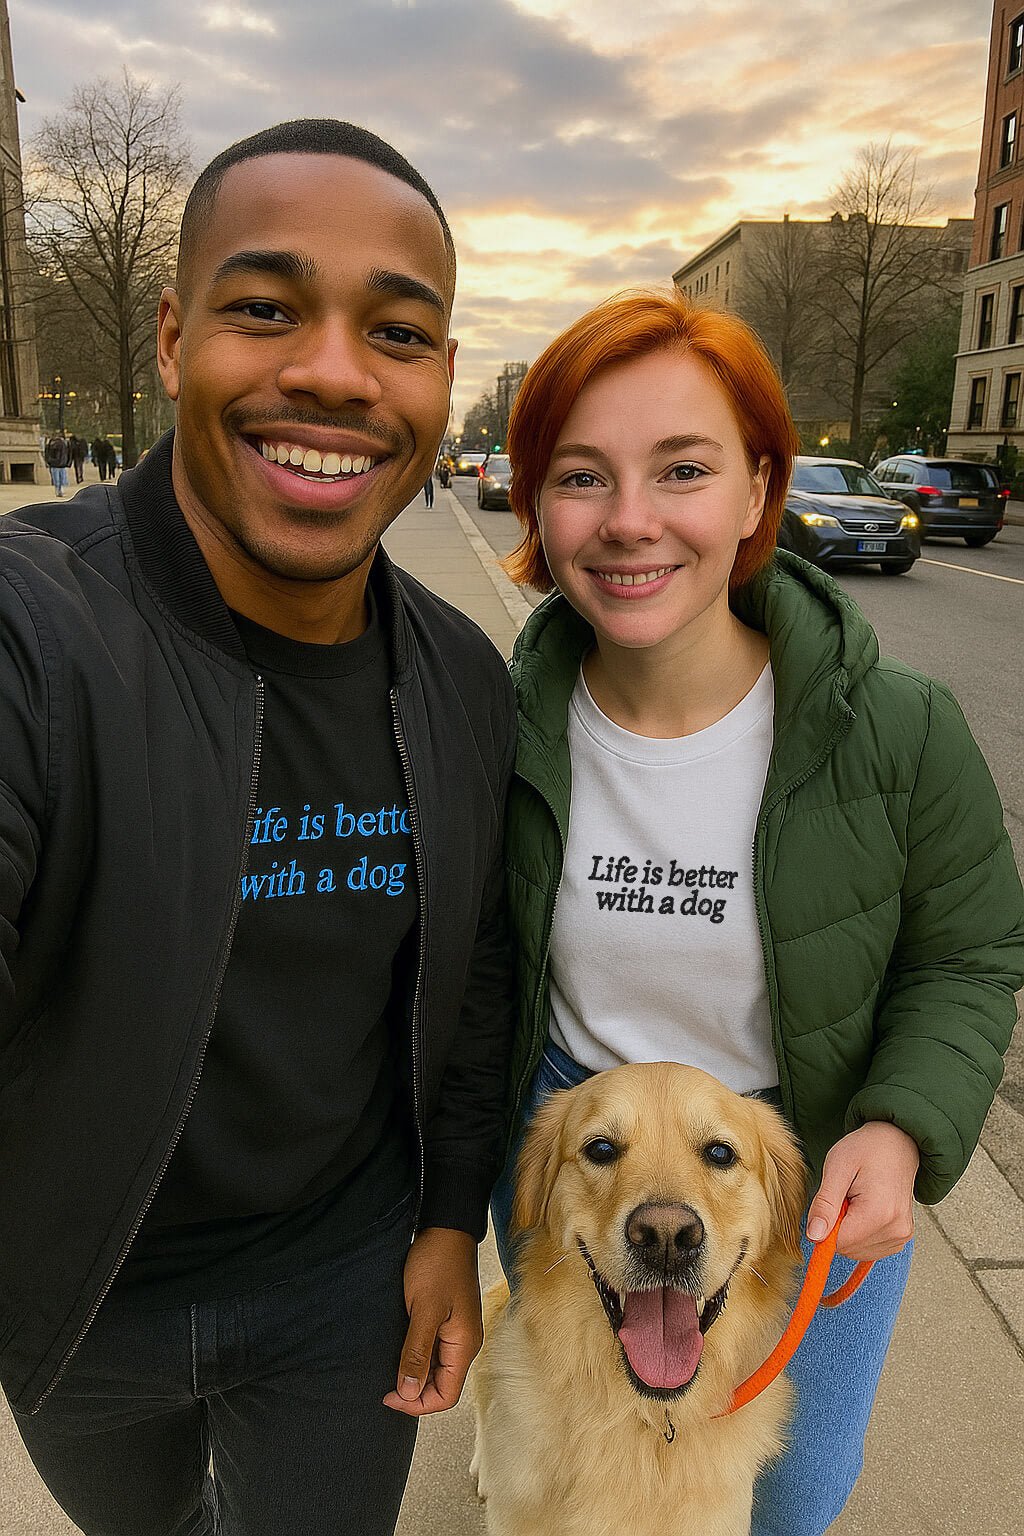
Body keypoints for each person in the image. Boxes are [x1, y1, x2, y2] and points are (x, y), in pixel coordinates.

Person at [0, 119, 515, 1536]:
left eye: (397, 332)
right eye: (266, 309)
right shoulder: (35, 629)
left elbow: (471, 991)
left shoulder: (466, 683)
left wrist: (448, 1222)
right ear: (172, 337)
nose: (335, 373)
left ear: (443, 383)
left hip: (342, 1293)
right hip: (79, 1308)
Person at [491, 291, 1024, 1536]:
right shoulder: (493, 723)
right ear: (535, 506)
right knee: (561, 1473)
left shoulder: (902, 729)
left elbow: (972, 949)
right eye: (581, 475)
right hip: (576, 1128)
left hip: (799, 1153)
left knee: (784, 1500)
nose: (630, 521)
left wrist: (898, 1128)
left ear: (754, 490)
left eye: (682, 468)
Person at [42, 427, 71, 495]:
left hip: (55, 463)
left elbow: (48, 453)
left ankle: (58, 489)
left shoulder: (51, 443)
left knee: (57, 478)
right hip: (61, 463)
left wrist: (49, 461)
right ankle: (60, 489)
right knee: (61, 478)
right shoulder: (64, 444)